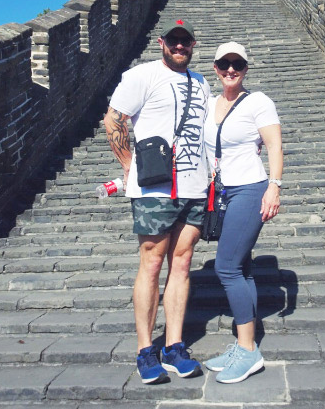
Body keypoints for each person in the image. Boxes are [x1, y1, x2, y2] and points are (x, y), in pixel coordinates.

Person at [104, 19, 211, 384]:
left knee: (181, 264)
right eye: (174, 40)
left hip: (194, 187)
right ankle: (146, 349)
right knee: (151, 265)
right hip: (155, 189)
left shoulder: (201, 81)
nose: (180, 46)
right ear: (161, 42)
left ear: (193, 45)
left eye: (186, 42)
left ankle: (175, 346)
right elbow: (114, 120)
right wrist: (130, 168)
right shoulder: (141, 76)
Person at [202, 41, 283, 384]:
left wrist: (274, 187)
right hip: (221, 191)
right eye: (224, 64)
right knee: (244, 269)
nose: (230, 70)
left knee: (227, 267)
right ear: (216, 67)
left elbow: (276, 144)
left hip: (250, 189)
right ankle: (241, 343)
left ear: (246, 67)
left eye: (237, 64)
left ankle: (249, 351)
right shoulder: (209, 104)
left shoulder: (258, 101)